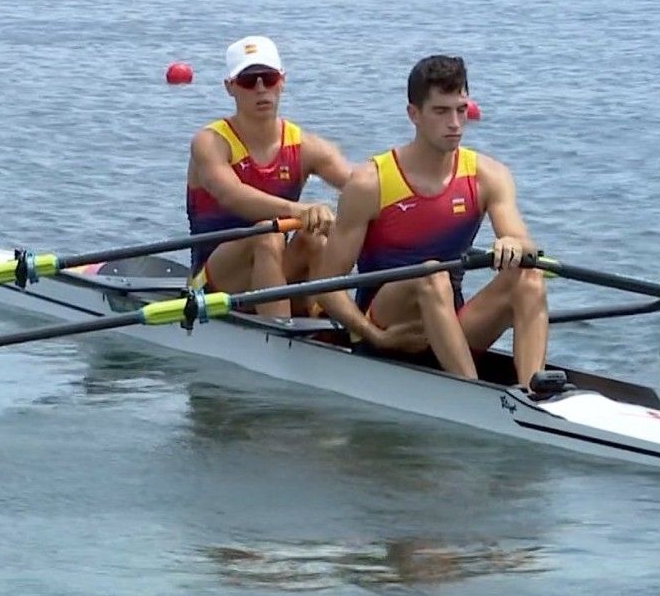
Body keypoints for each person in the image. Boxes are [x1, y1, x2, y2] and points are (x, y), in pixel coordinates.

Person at [313, 55, 550, 388]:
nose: (455, 123)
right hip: (385, 329)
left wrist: (514, 244)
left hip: (449, 326)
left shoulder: (488, 176)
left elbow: (522, 242)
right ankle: (472, 395)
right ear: (414, 115)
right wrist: (374, 336)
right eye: (441, 111)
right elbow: (326, 285)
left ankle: (531, 395)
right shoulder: (371, 183)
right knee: (432, 275)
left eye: (461, 110)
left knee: (529, 276)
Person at [186, 35, 352, 316]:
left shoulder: (306, 146)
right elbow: (232, 195)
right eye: (249, 81)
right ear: (230, 87)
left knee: (315, 235)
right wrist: (300, 210)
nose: (261, 88)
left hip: (270, 273)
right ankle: (279, 334)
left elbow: (361, 186)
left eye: (269, 78)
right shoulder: (210, 142)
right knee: (269, 233)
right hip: (213, 283)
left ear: (282, 81)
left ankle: (331, 326)